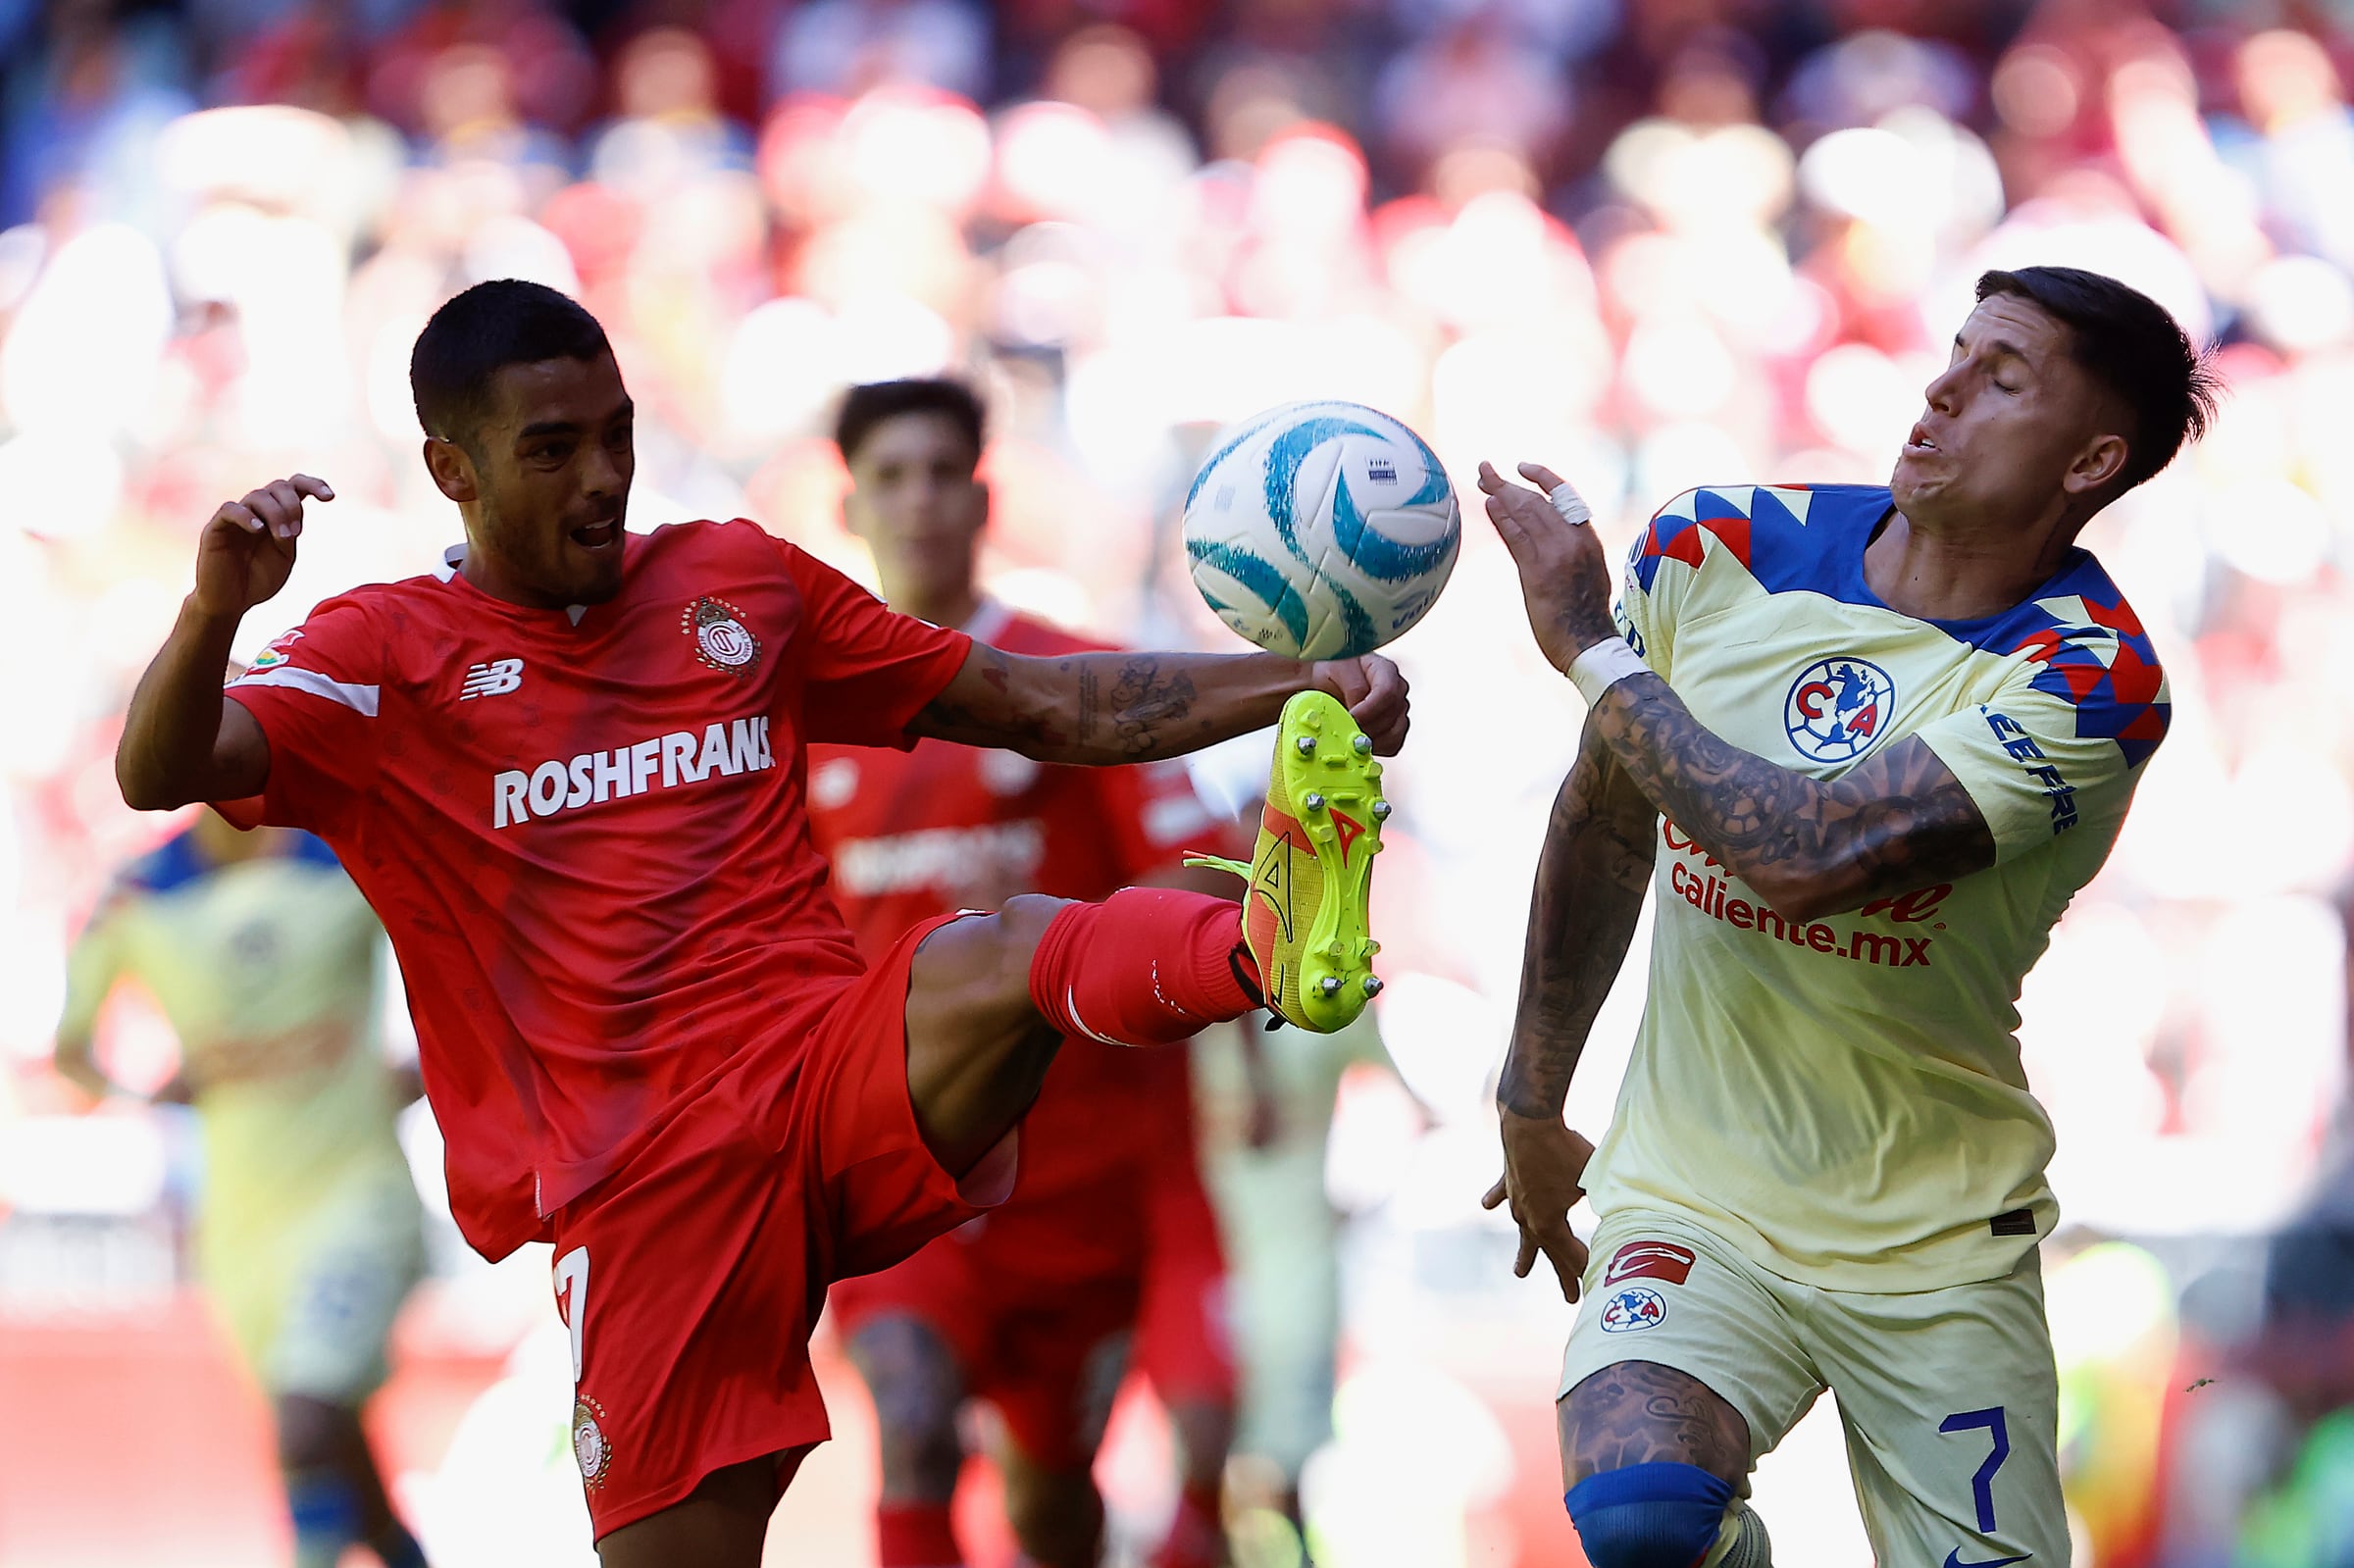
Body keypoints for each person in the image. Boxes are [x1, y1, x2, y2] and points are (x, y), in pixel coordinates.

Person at [111, 278, 1403, 1568]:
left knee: (1006, 947)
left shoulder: (736, 582)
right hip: (642, 1190)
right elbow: (159, 769)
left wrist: (1309, 683)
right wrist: (215, 609)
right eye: (552, 450)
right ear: (453, 468)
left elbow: (1042, 704)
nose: (602, 477)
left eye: (617, 433)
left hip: (825, 1073)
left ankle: (1260, 946)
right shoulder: (382, 653)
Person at [1475, 265, 2217, 1568]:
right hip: (1694, 1197)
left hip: (1936, 1242)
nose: (1941, 390)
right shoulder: (1718, 547)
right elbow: (1607, 816)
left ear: (2091, 461)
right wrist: (1532, 1098)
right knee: (1643, 1515)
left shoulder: (2090, 678)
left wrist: (1592, 647)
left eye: (2001, 379)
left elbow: (1806, 855)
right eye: (1956, 352)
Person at [803, 377, 1245, 1568]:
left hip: (1080, 1181)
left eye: (943, 473)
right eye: (891, 476)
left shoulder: (1078, 682)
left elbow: (1192, 881)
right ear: (851, 507)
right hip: (899, 1167)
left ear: (983, 498)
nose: (920, 501)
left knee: (1052, 1508)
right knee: (912, 1434)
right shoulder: (805, 712)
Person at [54, 809, 428, 1568]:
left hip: (356, 1192)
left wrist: (436, 1068)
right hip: (242, 1225)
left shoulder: (349, 850)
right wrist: (142, 1092)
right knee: (339, 1451)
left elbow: (463, 949)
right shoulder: (139, 890)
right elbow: (70, 1049)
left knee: (306, 1421)